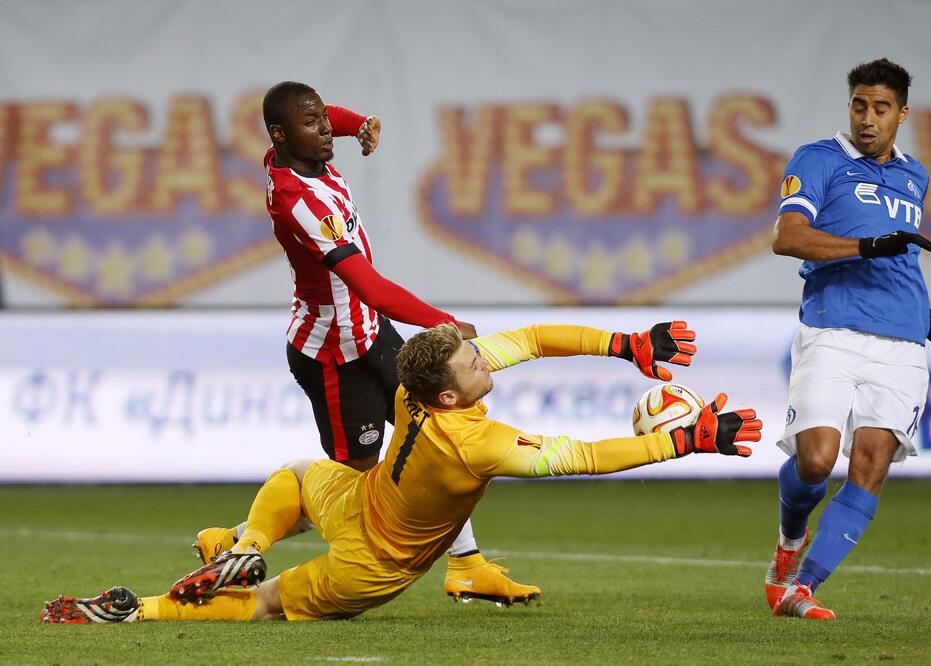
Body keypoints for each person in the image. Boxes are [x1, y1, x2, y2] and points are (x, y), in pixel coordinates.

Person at [40, 321, 760, 623]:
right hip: (374, 564)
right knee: (264, 609)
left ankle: (244, 544)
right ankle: (144, 611)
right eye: (476, 361)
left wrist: (625, 343)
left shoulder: (410, 389)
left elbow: (536, 339)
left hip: (359, 496)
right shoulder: (477, 442)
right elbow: (592, 458)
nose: (487, 359)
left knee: (296, 473)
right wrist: (687, 440)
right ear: (449, 393)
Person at [192, 80, 532, 603]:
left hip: (372, 335)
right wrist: (442, 322)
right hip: (333, 356)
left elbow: (322, 117)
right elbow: (368, 286)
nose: (325, 128)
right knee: (356, 482)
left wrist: (356, 124)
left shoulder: (299, 154)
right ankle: (233, 540)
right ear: (281, 136)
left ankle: (466, 564)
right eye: (313, 123)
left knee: (441, 431)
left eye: (324, 118)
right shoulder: (298, 201)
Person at [765, 58, 931, 620]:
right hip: (831, 328)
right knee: (815, 461)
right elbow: (787, 237)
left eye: (881, 108)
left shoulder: (916, 176)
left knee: (870, 467)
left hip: (902, 344)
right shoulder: (819, 160)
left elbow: (896, 263)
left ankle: (800, 589)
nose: (868, 118)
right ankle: (789, 542)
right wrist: (865, 248)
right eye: (859, 104)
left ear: (901, 113)